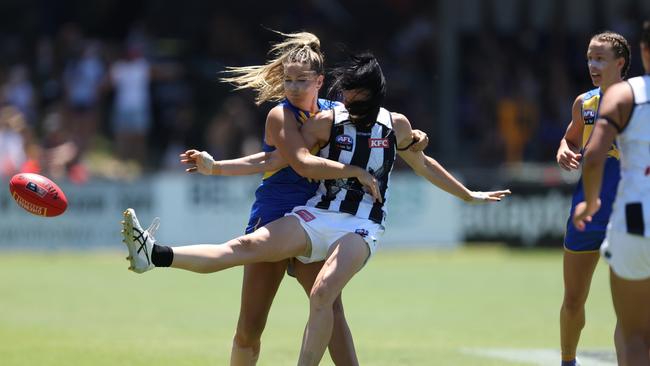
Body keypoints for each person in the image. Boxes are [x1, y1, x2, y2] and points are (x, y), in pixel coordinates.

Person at [121, 52, 510, 365]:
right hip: (313, 214)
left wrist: (467, 194)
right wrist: (217, 166)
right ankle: (154, 254)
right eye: (345, 92)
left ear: (372, 93)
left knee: (325, 296)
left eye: (354, 93)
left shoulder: (395, 125)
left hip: (361, 225)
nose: (347, 100)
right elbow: (279, 160)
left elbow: (424, 164)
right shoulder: (327, 120)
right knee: (244, 255)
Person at [573, 20, 650, 366]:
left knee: (634, 334)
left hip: (636, 220)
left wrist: (590, 202)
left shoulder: (623, 94)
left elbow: (592, 157)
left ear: (643, 51)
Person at [556, 31, 630, 366]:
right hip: (587, 211)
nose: (592, 65)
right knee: (573, 299)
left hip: (629, 212)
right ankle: (568, 361)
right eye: (589, 58)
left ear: (621, 63)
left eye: (600, 58)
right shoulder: (584, 103)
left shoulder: (639, 104)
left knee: (630, 307)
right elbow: (571, 139)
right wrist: (564, 151)